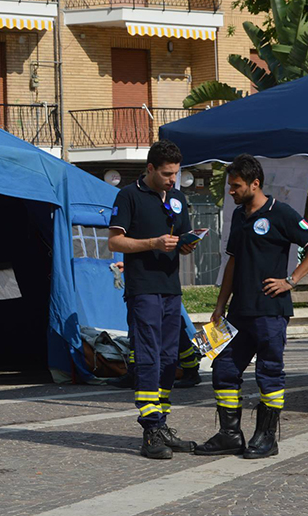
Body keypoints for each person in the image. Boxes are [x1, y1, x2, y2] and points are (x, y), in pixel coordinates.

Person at [194, 154, 308, 459]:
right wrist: (219, 306)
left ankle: (266, 436)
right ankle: (230, 434)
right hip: (239, 313)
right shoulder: (240, 217)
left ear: (255, 183)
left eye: (236, 185)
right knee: (224, 369)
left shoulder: (281, 213)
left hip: (270, 311)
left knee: (269, 374)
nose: (231, 190)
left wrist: (291, 280)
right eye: (230, 185)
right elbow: (232, 262)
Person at [108, 140, 198, 459]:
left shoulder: (177, 197)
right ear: (150, 169)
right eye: (166, 174)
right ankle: (150, 430)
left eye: (175, 173)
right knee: (148, 355)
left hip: (170, 287)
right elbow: (114, 241)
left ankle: (162, 423)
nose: (172, 179)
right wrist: (153, 243)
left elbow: (181, 238)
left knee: (170, 357)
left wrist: (187, 244)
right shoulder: (128, 195)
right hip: (143, 287)